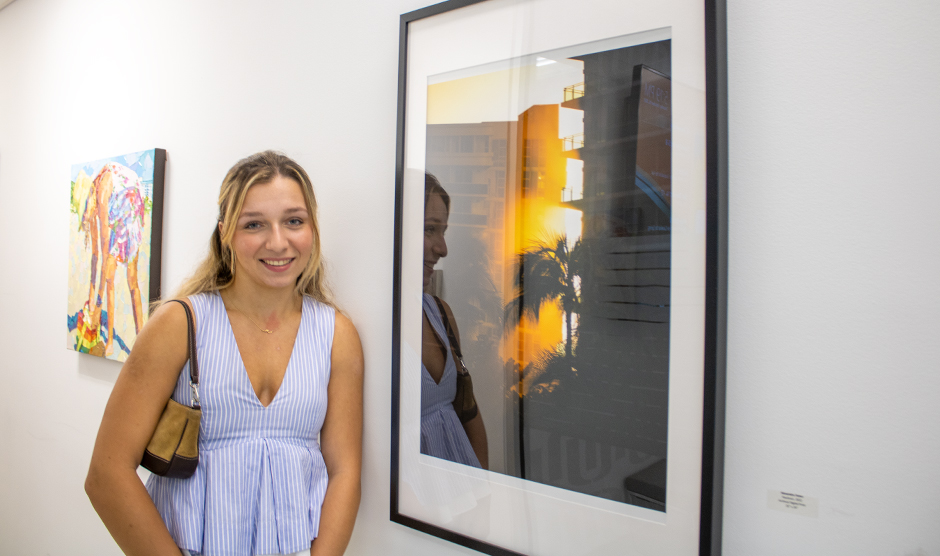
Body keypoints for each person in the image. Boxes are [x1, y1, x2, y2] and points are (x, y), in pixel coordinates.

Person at [85, 151, 364, 556]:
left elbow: (345, 472)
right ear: (226, 233)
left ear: (312, 229)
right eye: (254, 224)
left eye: (294, 221)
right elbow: (106, 475)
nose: (278, 241)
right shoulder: (180, 325)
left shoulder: (336, 334)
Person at [420, 173, 488, 470]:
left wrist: (485, 488)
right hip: (412, 506)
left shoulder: (441, 313)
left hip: (464, 496)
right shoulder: (364, 326)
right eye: (429, 229)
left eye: (443, 231)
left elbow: (468, 410)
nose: (442, 248)